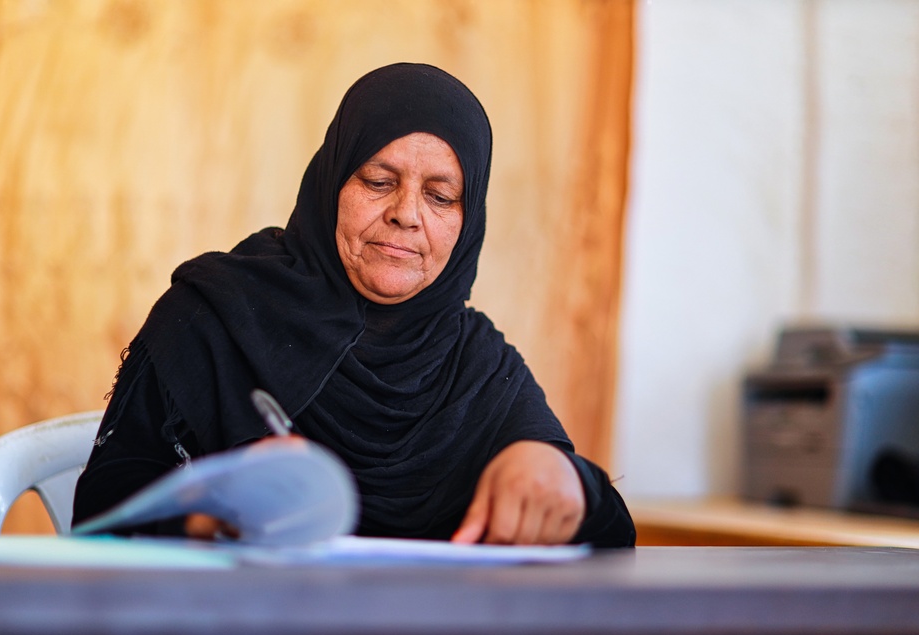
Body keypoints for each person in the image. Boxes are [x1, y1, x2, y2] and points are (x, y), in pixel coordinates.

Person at [72, 63, 635, 547]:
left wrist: (568, 480)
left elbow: (613, 534)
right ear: (332, 182)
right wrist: (209, 514)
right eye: (377, 180)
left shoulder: (478, 368)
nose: (407, 213)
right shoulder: (214, 316)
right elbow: (100, 515)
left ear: (469, 223)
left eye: (441, 197)